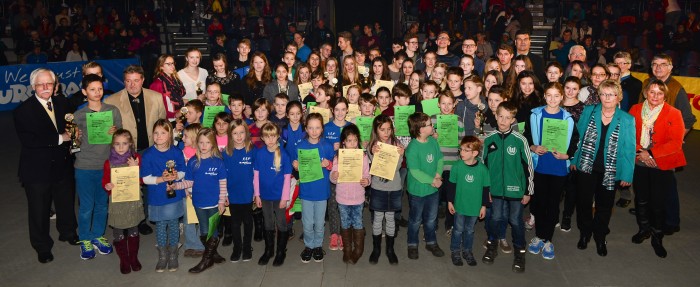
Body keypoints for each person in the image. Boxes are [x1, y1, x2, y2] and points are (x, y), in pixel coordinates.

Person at [14, 68, 79, 263]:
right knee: (39, 210)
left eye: (49, 83)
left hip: (62, 164)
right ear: (33, 86)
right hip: (37, 170)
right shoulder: (23, 110)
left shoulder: (63, 103)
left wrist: (75, 137)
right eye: (40, 84)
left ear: (54, 85)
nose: (45, 87)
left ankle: (67, 232)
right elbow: (30, 140)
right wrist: (62, 138)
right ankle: (42, 246)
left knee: (66, 202)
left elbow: (72, 127)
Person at [571, 80, 635, 257]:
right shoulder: (589, 111)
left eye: (611, 94)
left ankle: (600, 236)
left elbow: (630, 149)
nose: (607, 98)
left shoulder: (627, 119)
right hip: (586, 165)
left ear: (618, 97)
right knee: (583, 202)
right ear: (599, 96)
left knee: (604, 206)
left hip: (610, 170)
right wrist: (574, 159)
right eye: (604, 94)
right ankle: (585, 233)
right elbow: (579, 138)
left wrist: (627, 174)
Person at [636, 54, 697, 234]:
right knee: (647, 186)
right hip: (645, 147)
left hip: (664, 149)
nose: (658, 68)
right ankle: (648, 214)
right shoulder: (648, 83)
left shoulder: (677, 89)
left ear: (671, 67)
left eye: (663, 65)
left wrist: (678, 138)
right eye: (655, 64)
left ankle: (671, 221)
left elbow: (688, 118)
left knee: (667, 187)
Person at [105, 65, 167, 235]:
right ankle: (129, 220)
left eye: (136, 80)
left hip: (150, 150)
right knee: (129, 188)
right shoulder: (111, 101)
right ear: (124, 81)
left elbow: (162, 123)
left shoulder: (155, 97)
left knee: (148, 187)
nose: (132, 85)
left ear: (142, 80)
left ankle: (143, 219)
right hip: (126, 152)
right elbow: (108, 131)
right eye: (128, 81)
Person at [628, 79, 686, 258]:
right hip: (639, 160)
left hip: (662, 163)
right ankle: (644, 229)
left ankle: (657, 236)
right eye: (652, 92)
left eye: (659, 93)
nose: (655, 96)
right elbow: (628, 135)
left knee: (659, 201)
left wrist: (651, 153)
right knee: (642, 199)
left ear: (665, 96)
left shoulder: (674, 113)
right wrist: (641, 152)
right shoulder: (635, 110)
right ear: (645, 93)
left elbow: (676, 143)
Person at [524, 83, 577, 261]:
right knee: (539, 203)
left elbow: (575, 141)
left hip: (558, 168)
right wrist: (533, 146)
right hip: (540, 166)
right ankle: (538, 236)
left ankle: (548, 239)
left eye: (556, 95)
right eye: (549, 95)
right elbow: (527, 136)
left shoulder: (568, 119)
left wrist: (566, 155)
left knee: (553, 204)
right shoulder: (535, 115)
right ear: (544, 96)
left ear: (562, 97)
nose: (552, 99)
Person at [481, 101, 533, 273]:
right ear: (495, 116)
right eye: (500, 116)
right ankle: (492, 245)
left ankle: (520, 251)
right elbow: (483, 166)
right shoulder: (488, 139)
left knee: (516, 221)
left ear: (513, 120)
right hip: (494, 190)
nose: (503, 120)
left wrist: (528, 191)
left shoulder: (520, 140)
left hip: (516, 190)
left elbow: (528, 167)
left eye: (507, 118)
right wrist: (485, 190)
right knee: (495, 218)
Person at [73, 74, 122, 260]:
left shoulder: (113, 111)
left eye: (100, 88)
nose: (97, 92)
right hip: (84, 165)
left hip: (107, 165)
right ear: (84, 92)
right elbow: (74, 144)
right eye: (92, 89)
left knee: (102, 205)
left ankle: (98, 235)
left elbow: (121, 139)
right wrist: (76, 136)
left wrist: (115, 132)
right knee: (86, 206)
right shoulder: (78, 115)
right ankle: (84, 238)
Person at [168, 128, 228, 273]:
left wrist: (221, 201)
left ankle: (206, 261)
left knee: (212, 231)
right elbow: (189, 182)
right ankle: (213, 253)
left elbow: (223, 183)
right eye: (201, 142)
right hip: (198, 203)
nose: (204, 145)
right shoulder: (193, 161)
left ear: (213, 144)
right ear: (197, 143)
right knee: (204, 231)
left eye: (207, 142)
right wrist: (176, 185)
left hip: (214, 203)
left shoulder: (218, 162)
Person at [140, 119, 186, 272]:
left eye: (163, 133)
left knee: (173, 224)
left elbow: (183, 171)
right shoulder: (148, 155)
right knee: (160, 226)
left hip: (174, 195)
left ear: (170, 135)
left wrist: (174, 177)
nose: (159, 136)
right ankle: (162, 255)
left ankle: (173, 254)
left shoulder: (176, 152)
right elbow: (145, 178)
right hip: (157, 197)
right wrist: (161, 179)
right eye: (156, 133)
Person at [292, 113, 335, 263]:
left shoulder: (327, 146)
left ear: (322, 128)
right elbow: (296, 163)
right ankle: (308, 245)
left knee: (319, 222)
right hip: (306, 192)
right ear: (306, 129)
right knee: (307, 222)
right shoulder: (301, 146)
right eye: (311, 128)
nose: (314, 131)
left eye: (317, 127)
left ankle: (318, 245)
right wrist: (295, 165)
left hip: (322, 192)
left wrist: (328, 164)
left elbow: (333, 167)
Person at [405, 112, 446, 260]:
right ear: (421, 129)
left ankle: (431, 241)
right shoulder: (412, 148)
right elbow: (415, 171)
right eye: (429, 124)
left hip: (432, 190)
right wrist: (432, 180)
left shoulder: (433, 142)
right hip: (417, 191)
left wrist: (438, 174)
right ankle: (412, 243)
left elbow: (440, 158)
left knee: (431, 219)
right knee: (415, 220)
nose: (432, 125)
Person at [102, 129, 144, 274]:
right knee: (119, 232)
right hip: (117, 203)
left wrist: (135, 168)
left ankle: (133, 258)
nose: (120, 147)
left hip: (132, 201)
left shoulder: (136, 158)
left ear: (130, 144)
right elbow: (105, 181)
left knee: (133, 230)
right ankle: (124, 259)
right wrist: (108, 186)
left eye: (124, 144)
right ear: (112, 145)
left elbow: (142, 181)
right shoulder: (109, 163)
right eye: (117, 144)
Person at [367, 115, 405, 265]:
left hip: (394, 187)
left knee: (390, 218)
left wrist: (400, 156)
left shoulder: (397, 144)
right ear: (376, 130)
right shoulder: (373, 145)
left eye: (389, 129)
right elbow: (375, 169)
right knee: (377, 218)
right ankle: (376, 249)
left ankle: (390, 249)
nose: (386, 132)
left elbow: (394, 169)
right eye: (382, 129)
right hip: (378, 187)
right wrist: (372, 153)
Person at [253, 123, 292, 266]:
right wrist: (257, 195)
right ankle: (269, 250)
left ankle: (281, 251)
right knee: (268, 222)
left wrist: (285, 197)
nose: (270, 139)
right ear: (262, 138)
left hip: (279, 197)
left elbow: (287, 177)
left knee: (281, 223)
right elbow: (256, 175)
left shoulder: (284, 154)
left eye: (273, 136)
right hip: (265, 196)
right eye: (267, 137)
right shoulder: (260, 153)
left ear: (278, 137)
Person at [329, 125, 370, 264]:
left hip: (358, 197)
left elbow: (366, 173)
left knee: (358, 222)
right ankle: (347, 249)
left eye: (355, 140)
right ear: (343, 142)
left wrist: (367, 180)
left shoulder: (363, 156)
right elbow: (332, 176)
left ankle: (358, 250)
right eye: (349, 140)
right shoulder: (338, 157)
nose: (352, 143)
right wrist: (334, 175)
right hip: (342, 198)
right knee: (345, 223)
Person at [448, 136, 490, 266]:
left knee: (470, 230)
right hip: (460, 206)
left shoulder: (483, 169)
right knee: (458, 230)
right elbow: (451, 185)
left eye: (466, 150)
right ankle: (455, 251)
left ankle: (467, 251)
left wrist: (484, 206)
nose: (462, 153)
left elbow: (485, 189)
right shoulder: (456, 167)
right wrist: (450, 201)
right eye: (461, 150)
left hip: (474, 207)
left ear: (475, 153)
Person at [222, 119, 255, 262]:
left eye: (242, 132)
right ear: (230, 135)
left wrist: (256, 192)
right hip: (233, 194)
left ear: (246, 133)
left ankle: (247, 247)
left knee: (248, 221)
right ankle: (237, 247)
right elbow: (222, 176)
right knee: (235, 223)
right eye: (235, 133)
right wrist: (225, 194)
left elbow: (256, 173)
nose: (239, 136)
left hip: (248, 193)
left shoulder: (252, 150)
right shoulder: (225, 153)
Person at [324, 97, 352, 251]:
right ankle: (334, 234)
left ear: (347, 110)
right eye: (337, 109)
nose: (340, 112)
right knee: (333, 203)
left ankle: (345, 233)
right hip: (332, 171)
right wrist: (331, 147)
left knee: (346, 203)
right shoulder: (326, 127)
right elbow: (320, 149)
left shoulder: (351, 127)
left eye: (343, 109)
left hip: (348, 171)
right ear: (332, 111)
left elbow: (356, 147)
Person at [150, 54, 187, 121]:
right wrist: (174, 115)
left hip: (180, 115)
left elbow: (178, 98)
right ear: (161, 66)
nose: (172, 66)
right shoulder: (157, 83)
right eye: (169, 64)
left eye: (173, 63)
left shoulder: (176, 79)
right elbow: (156, 107)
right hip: (168, 119)